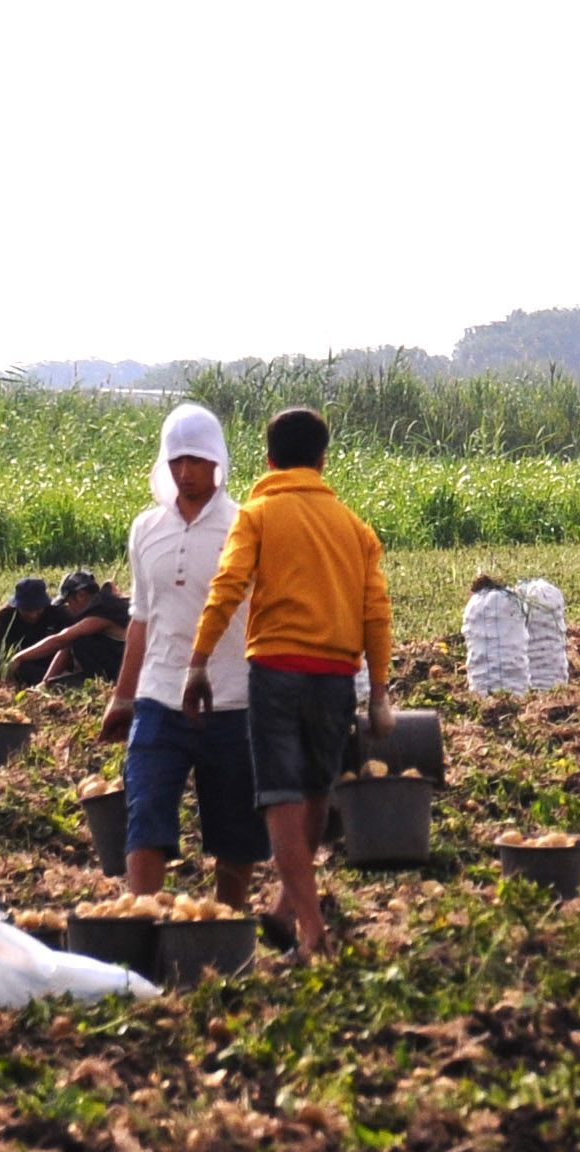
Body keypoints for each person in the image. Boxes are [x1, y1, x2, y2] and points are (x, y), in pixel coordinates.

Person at [185, 406, 393, 959]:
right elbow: (376, 613)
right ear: (323, 460)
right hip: (335, 677)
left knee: (279, 799)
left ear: (269, 458)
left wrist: (199, 660)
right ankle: (283, 909)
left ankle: (311, 930)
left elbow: (228, 586)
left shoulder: (257, 515)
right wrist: (380, 691)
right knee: (316, 793)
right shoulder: (355, 528)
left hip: (276, 671)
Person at [100, 403, 268, 908]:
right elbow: (142, 618)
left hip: (232, 700)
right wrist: (123, 697)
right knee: (145, 811)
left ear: (218, 460)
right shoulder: (146, 529)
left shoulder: (246, 527)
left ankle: (224, 928)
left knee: (234, 828)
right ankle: (141, 920)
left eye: (196, 460)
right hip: (159, 698)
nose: (186, 473)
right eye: (176, 461)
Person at [5, 568, 129, 685]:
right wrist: (46, 682)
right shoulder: (108, 602)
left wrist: (19, 657)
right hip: (125, 662)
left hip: (126, 665)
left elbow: (60, 640)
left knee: (80, 642)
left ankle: (100, 682)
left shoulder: (102, 611)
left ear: (81, 595)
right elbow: (66, 646)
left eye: (69, 602)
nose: (68, 608)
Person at [0, 577, 70, 680]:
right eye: (27, 610)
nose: (33, 614)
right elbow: (5, 651)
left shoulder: (58, 613)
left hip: (45, 661)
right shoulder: (5, 616)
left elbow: (64, 646)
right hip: (15, 659)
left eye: (37, 609)